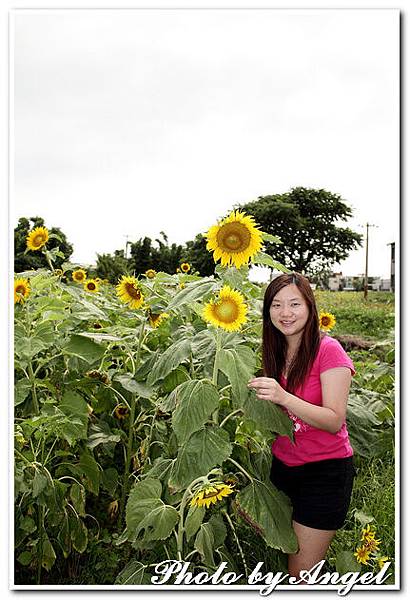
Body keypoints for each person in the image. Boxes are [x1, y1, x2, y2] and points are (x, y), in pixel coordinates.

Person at [248, 272, 356, 580]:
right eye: (277, 305)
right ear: (268, 311)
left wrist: (284, 396)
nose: (285, 313)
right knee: (286, 557)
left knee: (300, 576)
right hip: (282, 468)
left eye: (295, 304)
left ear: (310, 307)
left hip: (324, 472)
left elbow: (334, 420)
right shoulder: (274, 351)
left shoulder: (328, 350)